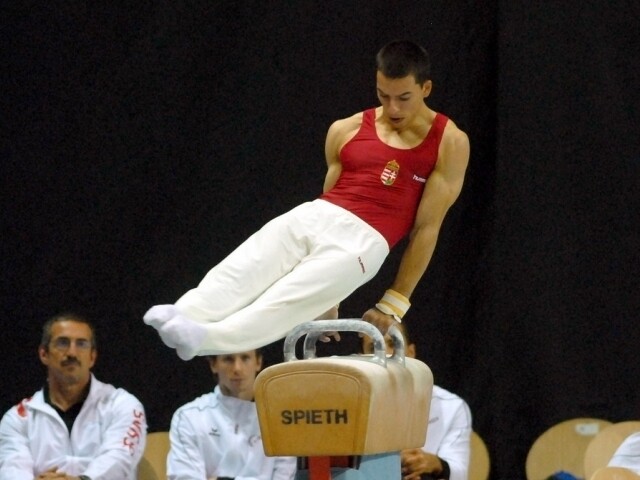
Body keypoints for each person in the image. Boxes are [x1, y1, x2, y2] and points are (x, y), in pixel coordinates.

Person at [144, 39, 470, 360]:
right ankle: (185, 312)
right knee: (245, 265)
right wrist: (330, 298)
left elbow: (427, 229)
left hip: (364, 242)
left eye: (404, 97)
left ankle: (205, 339)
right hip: (318, 214)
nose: (393, 107)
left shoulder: (449, 142)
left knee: (285, 301)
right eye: (383, 95)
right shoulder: (347, 128)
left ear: (426, 89)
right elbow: (329, 194)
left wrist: (394, 304)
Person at [0, 312, 147, 480]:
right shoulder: (18, 419)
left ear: (92, 357)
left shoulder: (123, 405)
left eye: (81, 344)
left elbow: (120, 458)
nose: (72, 352)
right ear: (44, 354)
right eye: (62, 343)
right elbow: (12, 470)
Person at [362, 322, 472, 480]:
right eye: (373, 348)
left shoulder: (451, 406)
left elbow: (460, 473)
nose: (384, 354)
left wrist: (434, 463)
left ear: (411, 352)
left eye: (393, 344)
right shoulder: (355, 406)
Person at [166, 349, 296, 480]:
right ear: (213, 365)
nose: (237, 368)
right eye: (228, 359)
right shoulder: (188, 417)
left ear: (258, 362)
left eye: (245, 358)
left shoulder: (280, 417)